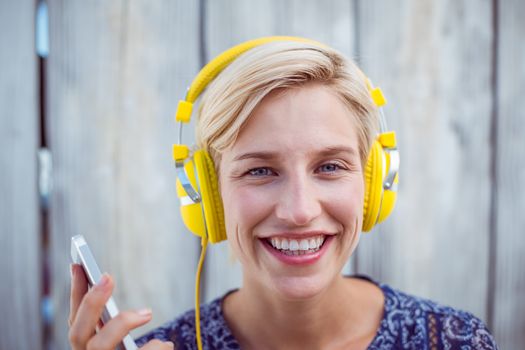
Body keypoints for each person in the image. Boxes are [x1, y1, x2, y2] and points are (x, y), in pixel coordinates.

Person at [69, 37, 498, 349]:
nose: (299, 210)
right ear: (208, 195)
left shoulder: (453, 340)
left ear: (372, 182)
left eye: (330, 166)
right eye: (259, 170)